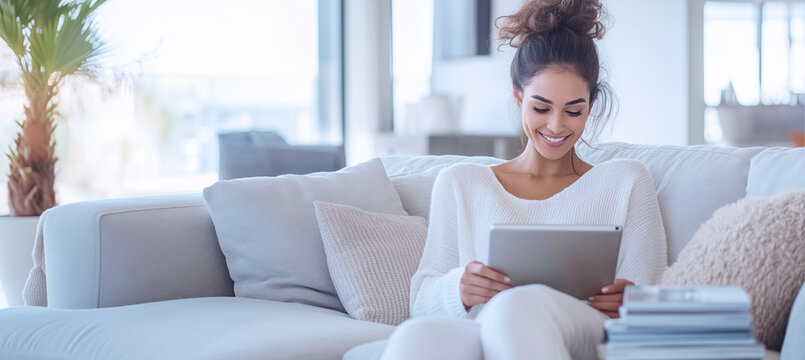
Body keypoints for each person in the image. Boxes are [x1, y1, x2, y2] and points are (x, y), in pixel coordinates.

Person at [380, 0, 668, 359]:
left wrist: (635, 299)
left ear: (590, 105)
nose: (556, 126)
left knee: (515, 308)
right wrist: (460, 288)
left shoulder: (626, 181)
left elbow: (654, 292)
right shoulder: (461, 183)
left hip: (585, 331)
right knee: (418, 337)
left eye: (574, 110)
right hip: (486, 329)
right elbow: (420, 303)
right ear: (519, 97)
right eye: (541, 108)